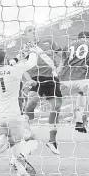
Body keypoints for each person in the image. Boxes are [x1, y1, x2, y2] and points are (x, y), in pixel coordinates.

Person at [0, 47, 39, 176]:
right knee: (17, 142)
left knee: (4, 136)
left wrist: (18, 57)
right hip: (13, 113)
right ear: (6, 58)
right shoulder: (15, 70)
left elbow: (7, 65)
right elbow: (32, 63)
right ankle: (21, 169)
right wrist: (33, 51)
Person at [22, 25, 63, 155]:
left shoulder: (49, 42)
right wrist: (29, 79)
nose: (33, 31)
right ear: (25, 35)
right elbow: (22, 67)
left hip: (51, 78)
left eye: (34, 29)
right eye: (29, 30)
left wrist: (59, 69)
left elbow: (62, 57)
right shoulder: (25, 48)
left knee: (56, 107)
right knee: (32, 101)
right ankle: (26, 130)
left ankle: (52, 141)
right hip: (35, 78)